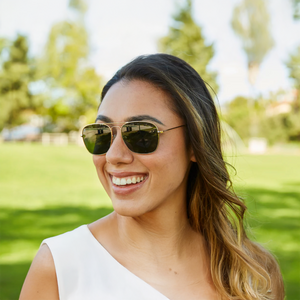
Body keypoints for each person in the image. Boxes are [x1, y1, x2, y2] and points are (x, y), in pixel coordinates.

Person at [20, 53, 284, 300]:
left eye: (141, 134)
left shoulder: (253, 273)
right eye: (101, 134)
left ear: (194, 143)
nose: (113, 155)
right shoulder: (59, 267)